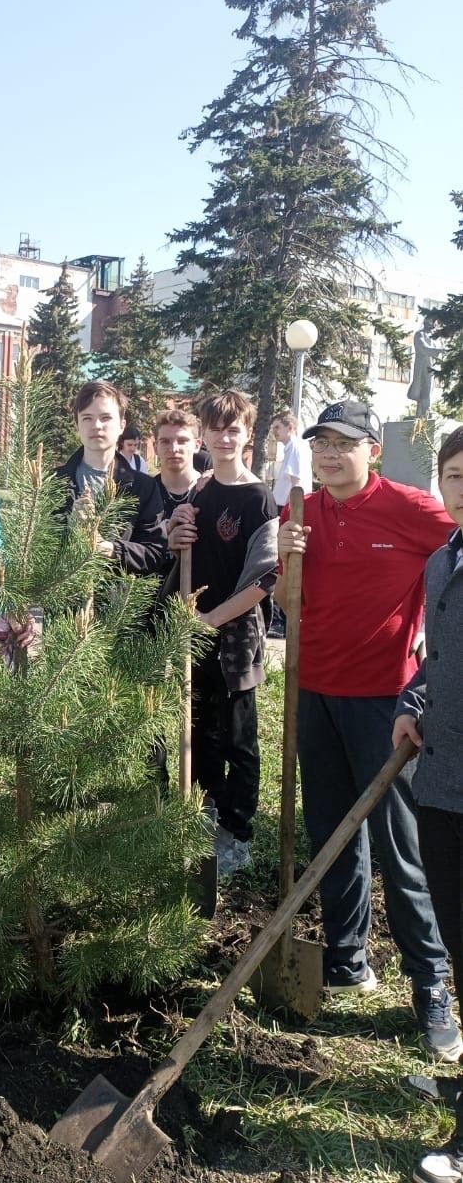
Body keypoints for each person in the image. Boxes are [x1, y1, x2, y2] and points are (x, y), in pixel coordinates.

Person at [276, 398, 461, 1061]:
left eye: (343, 444)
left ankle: (430, 986)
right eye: (320, 444)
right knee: (330, 834)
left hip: (386, 705)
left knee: (402, 849)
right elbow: (284, 605)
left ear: (370, 449)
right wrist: (283, 559)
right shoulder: (298, 512)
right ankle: (346, 959)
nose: (330, 455)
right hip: (311, 694)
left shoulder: (413, 510)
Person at [391, 427, 463, 1183]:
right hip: (441, 782)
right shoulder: (444, 560)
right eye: (453, 474)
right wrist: (412, 700)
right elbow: (435, 658)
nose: (462, 487)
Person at [166, 391, 278, 875]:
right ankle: (206, 810)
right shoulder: (201, 491)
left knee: (238, 737)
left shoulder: (259, 498)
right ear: (205, 434)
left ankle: (238, 830)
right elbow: (181, 551)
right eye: (216, 429)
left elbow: (263, 580)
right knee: (199, 730)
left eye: (234, 429)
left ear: (247, 434)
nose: (224, 437)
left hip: (235, 637)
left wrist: (212, 619)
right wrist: (177, 530)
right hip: (196, 630)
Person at [55, 381, 166, 576]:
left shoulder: (143, 488)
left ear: (122, 425)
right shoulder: (52, 483)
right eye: (87, 418)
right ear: (77, 425)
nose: (96, 425)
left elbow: (155, 553)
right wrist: (71, 529)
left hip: (118, 602)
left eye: (105, 418)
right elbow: (33, 551)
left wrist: (109, 549)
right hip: (62, 603)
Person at [268, 410, 313, 636]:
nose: (274, 432)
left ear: (290, 428)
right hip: (284, 507)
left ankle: (282, 621)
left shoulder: (295, 447)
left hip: (287, 508)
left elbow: (295, 484)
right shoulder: (290, 448)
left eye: (278, 427)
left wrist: (288, 512)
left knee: (282, 562)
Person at [152, 408, 202, 516]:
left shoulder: (209, 490)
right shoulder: (145, 493)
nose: (174, 449)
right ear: (155, 447)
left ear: (197, 445)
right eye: (165, 442)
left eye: (182, 441)